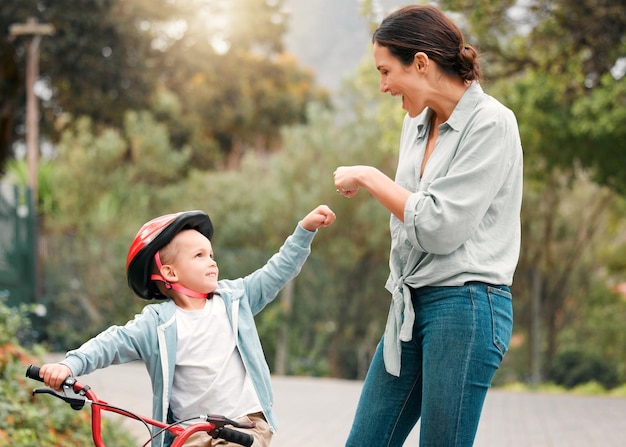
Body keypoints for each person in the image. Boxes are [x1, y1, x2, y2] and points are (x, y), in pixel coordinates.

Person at [333, 5, 522, 447]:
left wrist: (370, 176)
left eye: (385, 72)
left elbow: (440, 227)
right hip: (410, 306)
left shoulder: (492, 123)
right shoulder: (414, 123)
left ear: (420, 63)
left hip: (467, 306)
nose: (382, 86)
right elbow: (410, 223)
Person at [39, 205, 336, 447]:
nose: (212, 262)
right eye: (199, 256)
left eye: (211, 254)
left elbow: (276, 271)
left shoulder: (234, 299)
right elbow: (112, 342)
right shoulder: (156, 324)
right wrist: (70, 365)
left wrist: (304, 231)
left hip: (244, 427)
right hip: (190, 434)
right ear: (169, 272)